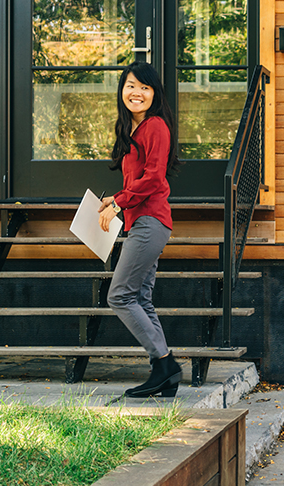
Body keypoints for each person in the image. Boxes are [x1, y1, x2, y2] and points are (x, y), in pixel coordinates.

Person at [98, 61, 183, 398]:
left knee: (119, 295)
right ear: (123, 90)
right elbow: (136, 182)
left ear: (154, 94)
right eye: (131, 85)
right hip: (140, 223)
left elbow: (153, 178)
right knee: (141, 299)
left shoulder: (155, 127)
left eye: (145, 88)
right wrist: (113, 202)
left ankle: (165, 364)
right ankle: (163, 373)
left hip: (151, 222)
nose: (137, 93)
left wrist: (119, 202)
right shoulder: (132, 131)